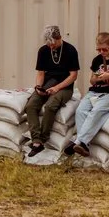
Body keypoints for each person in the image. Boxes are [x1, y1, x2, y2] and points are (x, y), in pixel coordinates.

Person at [68, 32, 109, 159]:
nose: (102, 52)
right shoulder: (97, 60)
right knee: (80, 110)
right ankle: (83, 145)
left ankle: (79, 142)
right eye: (99, 49)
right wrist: (97, 78)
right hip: (95, 92)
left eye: (105, 49)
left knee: (96, 111)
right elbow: (91, 80)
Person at [22, 26, 82, 156]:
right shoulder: (43, 51)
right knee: (30, 106)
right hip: (46, 83)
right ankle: (36, 141)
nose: (51, 47)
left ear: (59, 38)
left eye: (53, 44)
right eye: (48, 45)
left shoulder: (70, 50)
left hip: (64, 87)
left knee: (50, 106)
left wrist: (56, 88)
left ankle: (42, 139)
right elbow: (40, 73)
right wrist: (38, 87)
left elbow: (73, 76)